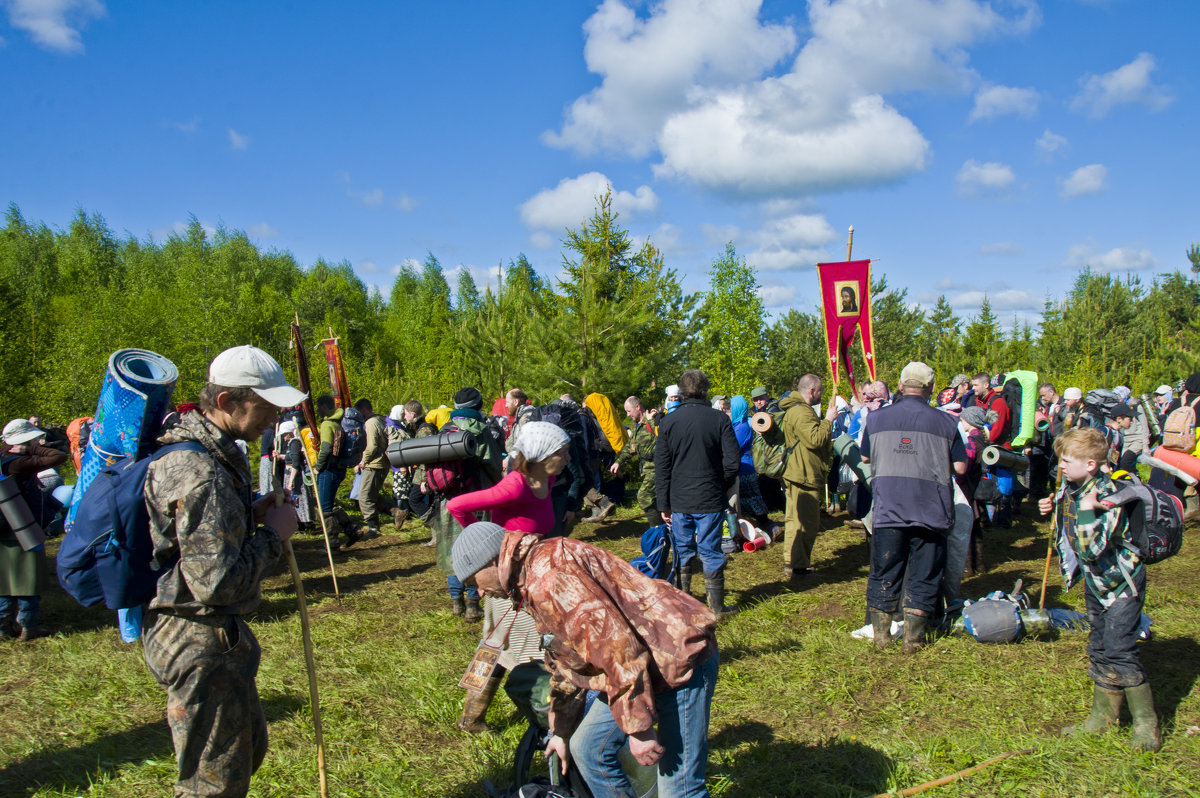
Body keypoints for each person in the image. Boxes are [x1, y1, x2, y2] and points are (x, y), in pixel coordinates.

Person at [452, 521, 720, 797]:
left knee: (680, 789)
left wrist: (639, 730)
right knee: (589, 748)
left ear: (492, 561)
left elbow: (619, 649)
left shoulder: (550, 576)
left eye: (475, 583)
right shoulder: (530, 576)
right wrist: (561, 732)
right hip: (640, 668)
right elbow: (568, 659)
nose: (480, 593)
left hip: (676, 660)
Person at [141, 344, 303, 796]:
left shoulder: (200, 454)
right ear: (228, 402)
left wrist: (247, 515)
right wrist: (274, 535)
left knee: (237, 759)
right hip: (197, 636)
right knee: (212, 783)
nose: (274, 419)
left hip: (196, 632)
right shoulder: (202, 471)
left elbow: (189, 539)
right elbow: (216, 583)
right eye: (267, 407)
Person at [1038, 427, 1161, 752]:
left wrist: (1090, 509)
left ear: (1091, 463)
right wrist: (1055, 509)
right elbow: (1071, 533)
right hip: (1097, 584)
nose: (1061, 466)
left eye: (1067, 460)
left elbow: (1090, 547)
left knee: (1121, 650)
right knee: (1100, 646)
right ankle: (1102, 718)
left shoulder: (1105, 496)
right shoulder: (1077, 488)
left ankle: (1146, 725)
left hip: (1122, 586)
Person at [859, 363, 968, 652]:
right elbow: (960, 465)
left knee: (884, 570)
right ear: (931, 387)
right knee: (924, 573)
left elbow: (866, 458)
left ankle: (882, 636)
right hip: (930, 510)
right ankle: (913, 639)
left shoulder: (876, 419)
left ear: (900, 384)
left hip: (889, 507)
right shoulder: (947, 423)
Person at [654, 369, 740, 616]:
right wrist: (717, 484)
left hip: (682, 499)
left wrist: (664, 503)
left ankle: (685, 605)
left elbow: (662, 468)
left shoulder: (669, 421)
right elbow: (732, 463)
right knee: (710, 551)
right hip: (707, 498)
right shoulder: (719, 419)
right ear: (705, 390)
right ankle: (716, 608)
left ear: (681, 391)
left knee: (684, 550)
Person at [430, 387, 504, 622]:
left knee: (453, 549)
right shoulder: (480, 429)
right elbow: (492, 463)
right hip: (475, 498)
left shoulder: (445, 429)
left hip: (448, 499)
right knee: (477, 548)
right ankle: (473, 603)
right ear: (479, 406)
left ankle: (456, 602)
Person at [1, 418, 68, 641]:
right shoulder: (19, 463)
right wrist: (32, 446)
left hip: (5, 526)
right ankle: (27, 626)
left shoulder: (4, 460)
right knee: (28, 580)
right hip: (23, 526)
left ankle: (3, 627)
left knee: (5, 580)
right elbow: (59, 457)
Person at [447, 421, 569, 536]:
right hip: (510, 556)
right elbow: (456, 506)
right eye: (561, 453)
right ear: (541, 454)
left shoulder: (548, 479)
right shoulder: (514, 488)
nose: (568, 458)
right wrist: (482, 539)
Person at [780, 373, 838, 580]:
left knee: (793, 520)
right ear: (811, 391)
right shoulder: (802, 412)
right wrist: (828, 421)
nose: (821, 394)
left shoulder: (794, 409)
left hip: (797, 470)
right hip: (804, 473)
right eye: (820, 390)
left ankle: (792, 561)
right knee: (807, 522)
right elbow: (814, 440)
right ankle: (800, 567)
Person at [312, 394, 360, 549]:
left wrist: (318, 468)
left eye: (318, 407)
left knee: (324, 508)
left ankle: (332, 545)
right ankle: (352, 529)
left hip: (328, 470)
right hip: (339, 469)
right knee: (330, 504)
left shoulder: (327, 424)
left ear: (324, 406)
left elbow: (325, 448)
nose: (317, 410)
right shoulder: (340, 421)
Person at [610, 396, 660, 528]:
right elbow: (631, 447)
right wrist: (618, 462)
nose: (628, 414)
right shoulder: (636, 425)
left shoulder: (653, 420)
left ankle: (656, 529)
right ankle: (665, 528)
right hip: (646, 470)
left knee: (643, 497)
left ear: (637, 407)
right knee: (656, 500)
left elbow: (664, 442)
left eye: (629, 411)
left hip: (657, 469)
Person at [729, 395, 771, 532]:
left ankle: (769, 526)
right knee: (750, 501)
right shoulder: (740, 423)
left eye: (731, 407)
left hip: (744, 468)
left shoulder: (741, 426)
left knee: (752, 501)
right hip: (744, 466)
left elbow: (736, 447)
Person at [353, 398, 388, 539]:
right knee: (371, 495)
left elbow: (371, 445)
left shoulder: (370, 423)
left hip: (374, 464)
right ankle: (395, 511)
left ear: (363, 410)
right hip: (379, 463)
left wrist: (363, 460)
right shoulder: (379, 420)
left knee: (365, 497)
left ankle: (373, 528)